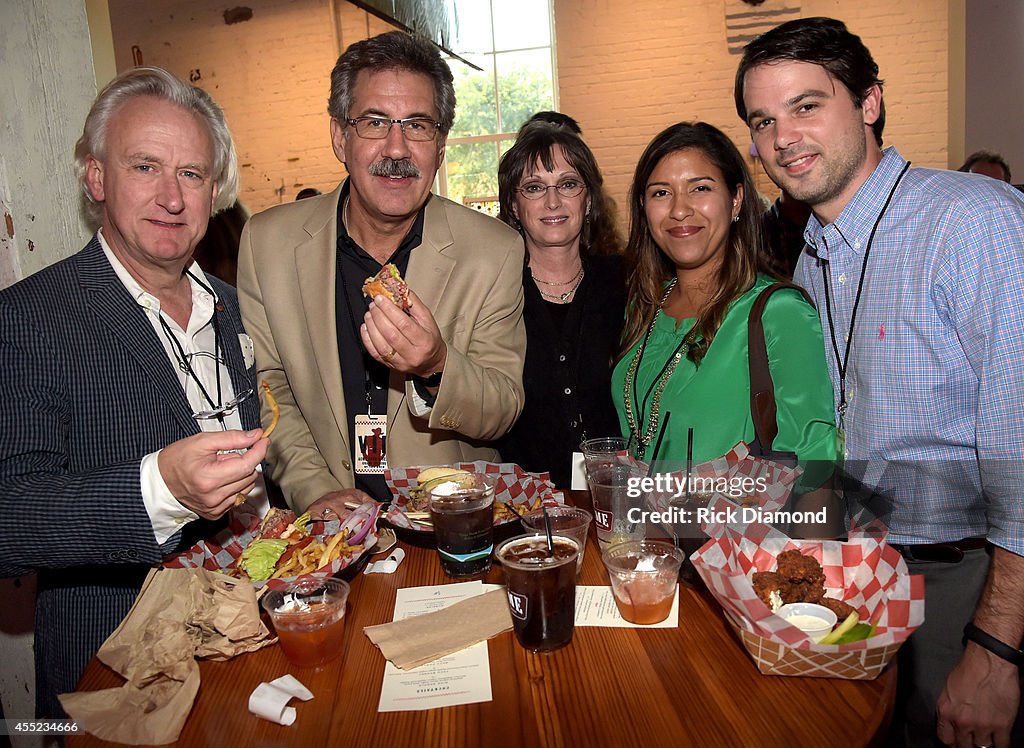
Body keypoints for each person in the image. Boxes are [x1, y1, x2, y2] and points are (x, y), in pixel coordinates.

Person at [735, 17, 1024, 748]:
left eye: (807, 105)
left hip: (969, 580)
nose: (784, 138)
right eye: (765, 120)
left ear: (869, 102)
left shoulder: (971, 222)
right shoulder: (812, 258)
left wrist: (995, 649)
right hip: (865, 575)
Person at [0, 67, 267, 718]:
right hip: (119, 673)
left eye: (193, 174)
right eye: (146, 166)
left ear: (216, 192)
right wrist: (162, 490)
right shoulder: (30, 317)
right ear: (97, 178)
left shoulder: (232, 310)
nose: (172, 198)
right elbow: (9, 518)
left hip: (244, 647)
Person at [237, 31, 526, 516]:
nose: (397, 148)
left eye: (417, 125)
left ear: (441, 144)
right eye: (374, 122)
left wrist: (436, 365)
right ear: (339, 137)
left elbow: (503, 407)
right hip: (326, 531)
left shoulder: (493, 250)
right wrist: (315, 490)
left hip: (446, 526)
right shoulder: (268, 244)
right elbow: (270, 389)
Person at [611, 121, 835, 473]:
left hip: (729, 526)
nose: (679, 209)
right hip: (640, 524)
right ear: (643, 207)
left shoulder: (778, 312)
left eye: (699, 188)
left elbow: (816, 460)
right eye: (661, 193)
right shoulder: (644, 306)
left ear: (736, 200)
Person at [496, 120, 625, 487]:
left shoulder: (630, 283)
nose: (553, 202)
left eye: (568, 184)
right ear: (514, 205)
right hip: (523, 508)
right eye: (534, 188)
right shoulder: (492, 293)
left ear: (588, 200)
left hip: (619, 499)